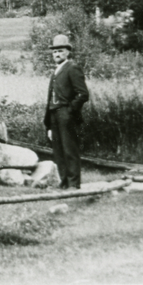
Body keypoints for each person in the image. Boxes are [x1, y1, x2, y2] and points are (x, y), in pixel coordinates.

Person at [44, 33, 89, 189]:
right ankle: (63, 183)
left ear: (68, 52)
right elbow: (50, 98)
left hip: (65, 114)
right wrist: (49, 122)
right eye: (55, 51)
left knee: (70, 150)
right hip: (54, 114)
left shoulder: (72, 68)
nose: (57, 54)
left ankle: (73, 184)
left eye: (60, 51)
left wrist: (70, 110)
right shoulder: (55, 72)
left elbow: (83, 94)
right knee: (58, 151)